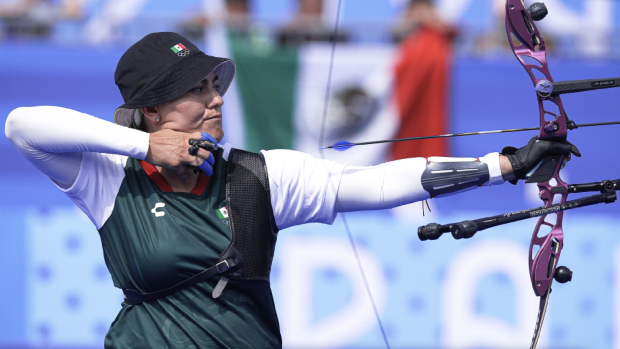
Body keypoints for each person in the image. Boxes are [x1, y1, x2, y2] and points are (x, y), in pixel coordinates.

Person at [4, 32, 580, 348]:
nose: (216, 99)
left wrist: (502, 165)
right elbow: (22, 126)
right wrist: (144, 148)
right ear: (152, 110)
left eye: (214, 85)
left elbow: (378, 182)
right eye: (195, 91)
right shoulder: (109, 178)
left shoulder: (260, 175)